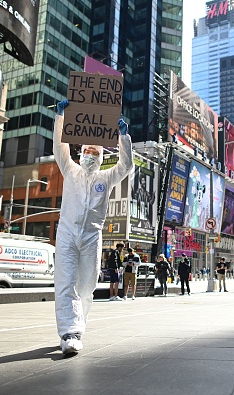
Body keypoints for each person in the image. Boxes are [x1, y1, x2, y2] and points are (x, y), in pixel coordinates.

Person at [53, 99, 133, 355]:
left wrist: (124, 137)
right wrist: (61, 118)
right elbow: (59, 147)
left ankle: (78, 324)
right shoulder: (70, 170)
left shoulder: (105, 178)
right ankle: (69, 332)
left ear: (101, 157)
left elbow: (126, 165)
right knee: (66, 283)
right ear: (80, 152)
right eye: (87, 150)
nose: (90, 154)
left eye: (95, 152)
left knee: (87, 286)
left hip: (91, 237)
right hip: (66, 233)